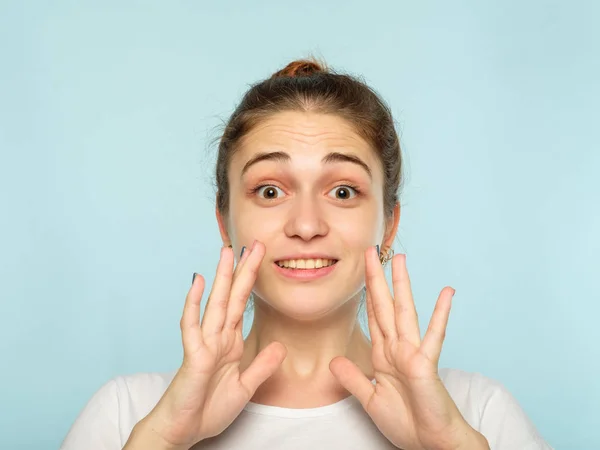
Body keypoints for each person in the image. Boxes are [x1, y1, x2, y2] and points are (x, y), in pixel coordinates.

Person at [60, 58, 552, 450]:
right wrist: (163, 438)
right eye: (270, 191)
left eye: (342, 192)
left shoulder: (478, 412)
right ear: (224, 222)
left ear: (389, 225)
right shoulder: (128, 413)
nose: (306, 226)